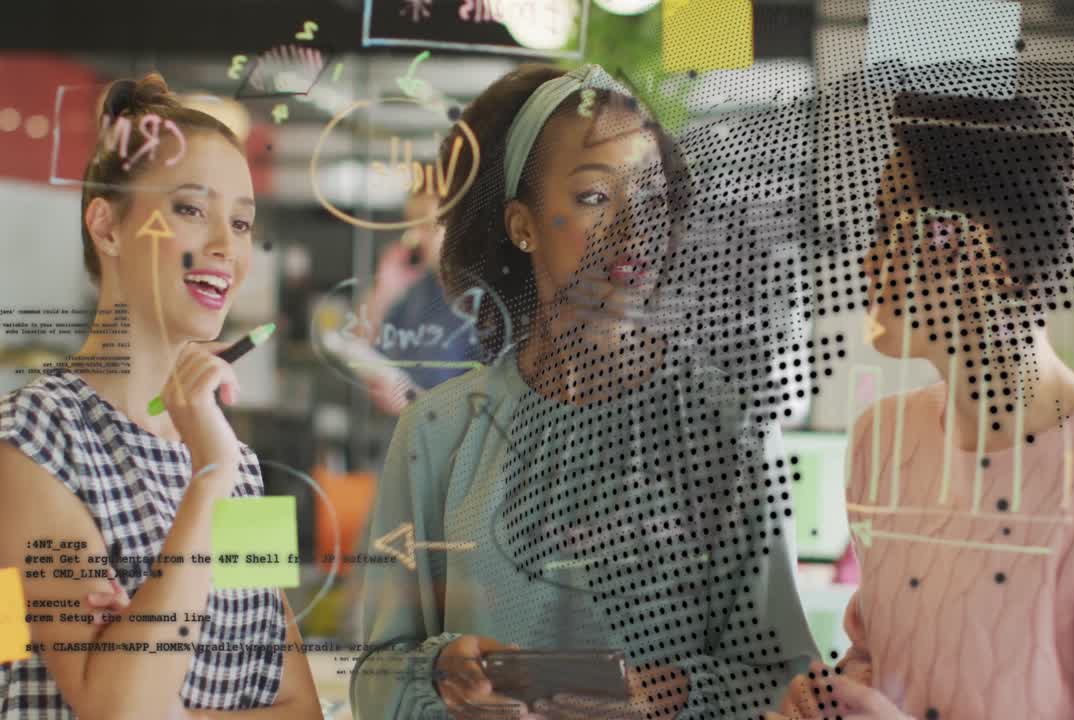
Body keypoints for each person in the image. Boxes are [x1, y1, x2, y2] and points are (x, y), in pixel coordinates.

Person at [351, 63, 819, 720]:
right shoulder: (437, 433)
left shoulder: (728, 429)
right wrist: (441, 676)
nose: (633, 230)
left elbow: (786, 678)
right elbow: (374, 677)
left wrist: (674, 694)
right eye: (596, 196)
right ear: (522, 224)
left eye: (651, 196)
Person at [775, 90, 1074, 719]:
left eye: (890, 228)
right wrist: (834, 693)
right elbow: (886, 657)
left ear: (980, 250)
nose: (868, 260)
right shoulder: (882, 438)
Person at [0, 74, 320, 719]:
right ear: (106, 226)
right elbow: (120, 712)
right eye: (191, 210)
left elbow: (301, 709)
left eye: (241, 222)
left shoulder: (236, 463)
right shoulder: (36, 437)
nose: (226, 246)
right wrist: (207, 478)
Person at [363, 191, 480, 415]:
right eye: (411, 226)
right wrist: (382, 291)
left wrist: (416, 404)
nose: (414, 238)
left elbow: (489, 407)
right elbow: (368, 350)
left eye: (426, 227)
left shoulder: (483, 301)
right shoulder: (419, 289)